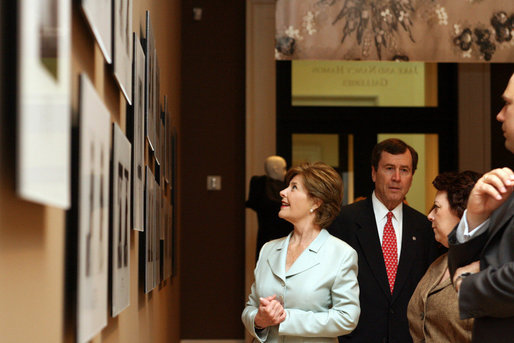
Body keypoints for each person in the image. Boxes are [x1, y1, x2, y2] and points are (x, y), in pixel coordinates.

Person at [329, 138, 442, 343]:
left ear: (412, 176)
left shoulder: (425, 228)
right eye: (389, 168)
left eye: (405, 170)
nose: (397, 178)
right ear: (374, 173)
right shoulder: (342, 222)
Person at [242, 162, 360, 342]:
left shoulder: (341, 254)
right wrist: (259, 320)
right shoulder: (268, 249)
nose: (283, 192)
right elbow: (250, 307)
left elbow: (347, 318)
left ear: (316, 202)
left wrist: (287, 318)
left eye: (294, 188)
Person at [448, 72, 514, 342]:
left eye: (508, 104)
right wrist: (474, 218)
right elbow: (462, 268)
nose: (499, 115)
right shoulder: (506, 185)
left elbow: (462, 279)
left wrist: (468, 284)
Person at [408, 171, 480, 342]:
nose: (430, 215)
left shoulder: (489, 268)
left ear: (461, 212)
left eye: (437, 207)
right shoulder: (439, 263)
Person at [246, 156, 293, 259]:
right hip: (273, 237)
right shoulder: (262, 186)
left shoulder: (260, 186)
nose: (285, 172)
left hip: (274, 237)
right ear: (276, 169)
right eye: (284, 169)